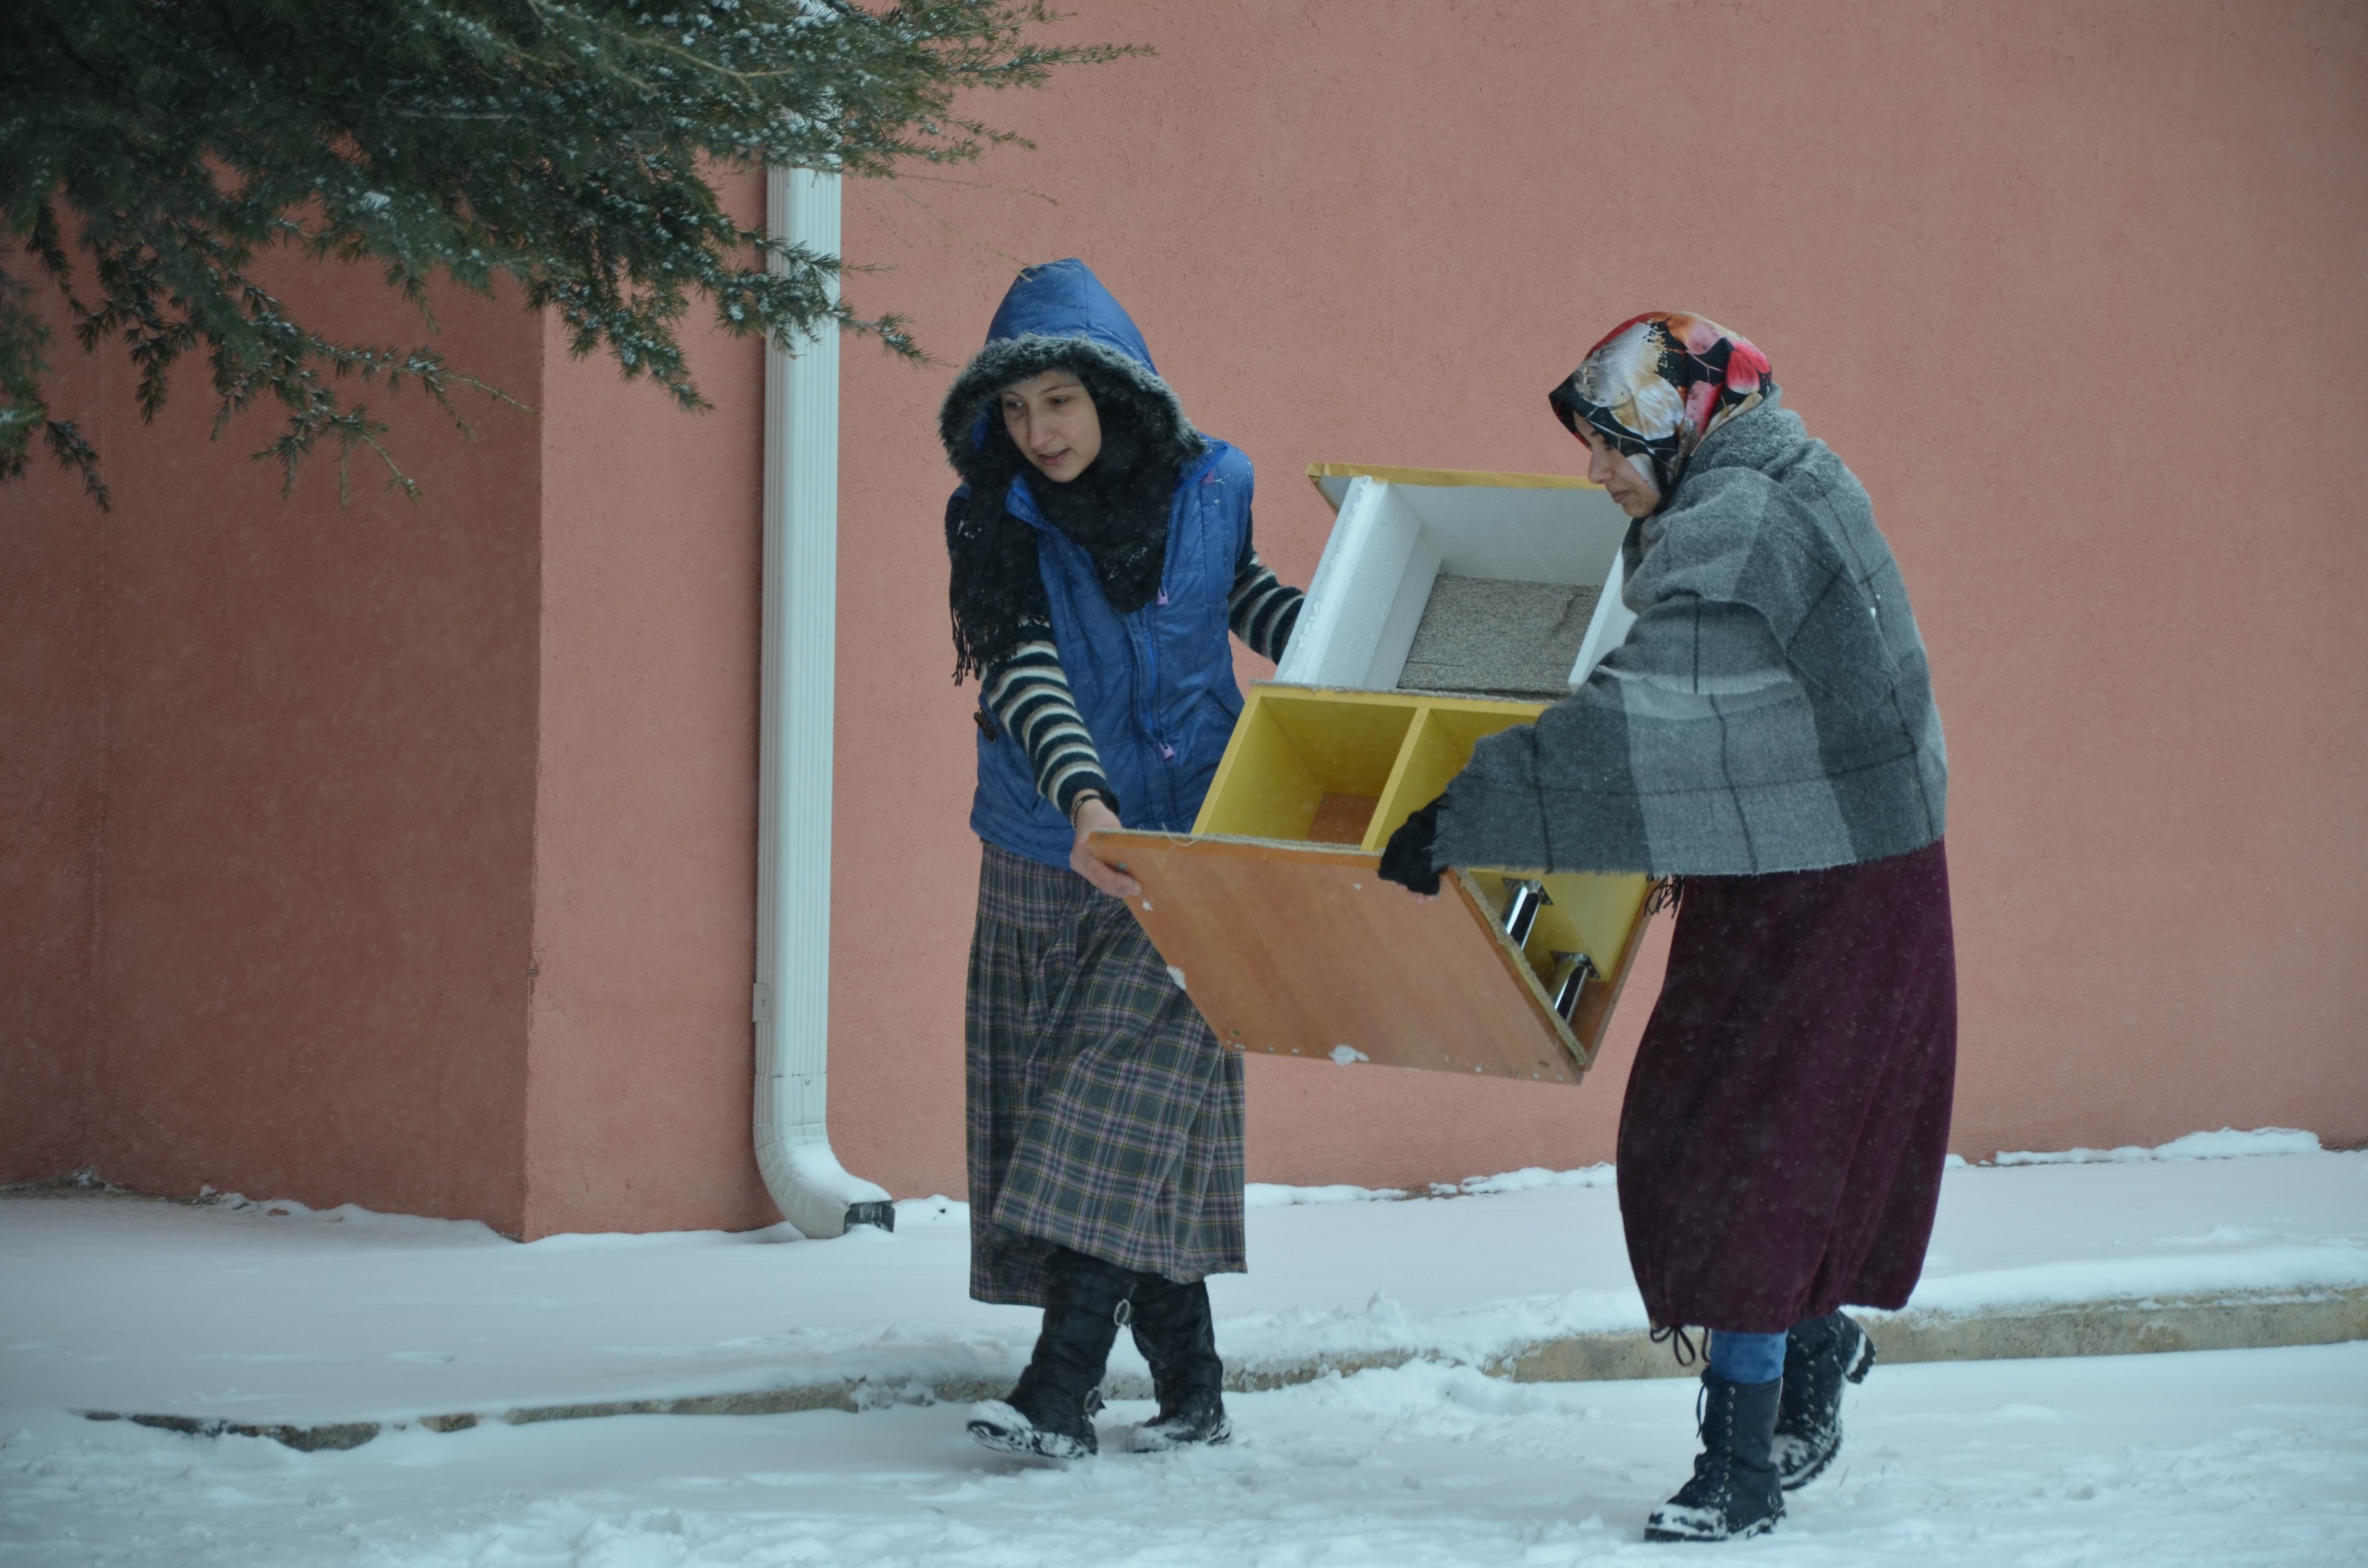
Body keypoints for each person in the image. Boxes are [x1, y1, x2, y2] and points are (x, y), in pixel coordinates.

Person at [1378, 313, 1954, 1542]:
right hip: (1805, 865)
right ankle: (1813, 1346)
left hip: (1835, 887)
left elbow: (1647, 709)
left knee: (1759, 1156)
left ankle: (1738, 1467)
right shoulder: (1773, 469)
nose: (1592, 471)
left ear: (1673, 416)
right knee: (1733, 1135)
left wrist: (1464, 813)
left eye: (1606, 442)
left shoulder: (1742, 517)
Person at [937, 259, 1304, 1460]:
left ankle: (1058, 1388)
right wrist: (1087, 802)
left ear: (1115, 394)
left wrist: (1350, 637)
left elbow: (1237, 594)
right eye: (1016, 408)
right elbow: (1021, 665)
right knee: (1074, 1099)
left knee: (1119, 1091)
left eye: (1061, 401)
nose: (1039, 432)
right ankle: (1191, 1384)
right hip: (1053, 843)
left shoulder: (1213, 481)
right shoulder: (993, 513)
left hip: (1200, 836)